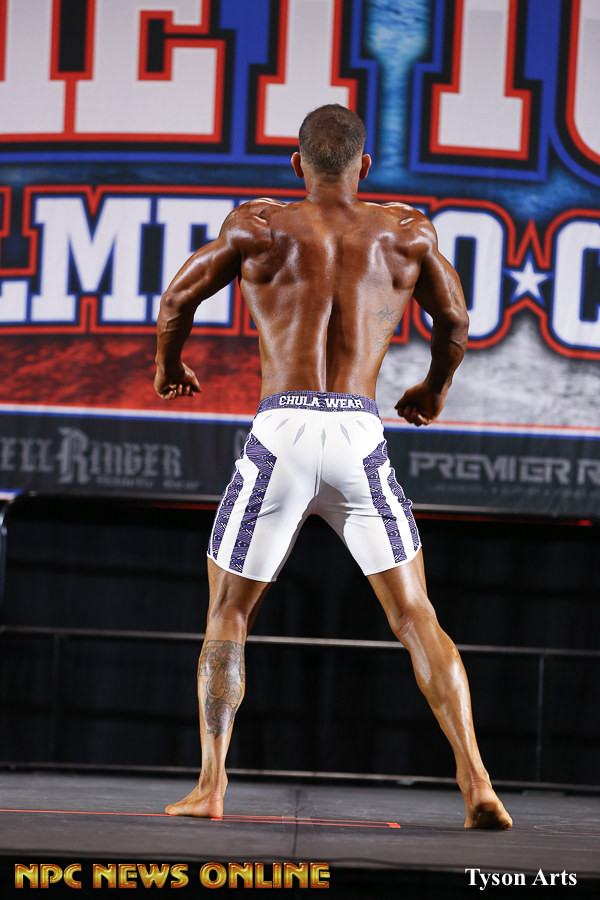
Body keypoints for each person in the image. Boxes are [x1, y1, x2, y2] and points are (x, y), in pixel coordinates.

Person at [153, 104, 512, 830]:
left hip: (281, 433)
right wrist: (433, 389)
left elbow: (176, 301)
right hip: (357, 432)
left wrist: (169, 366)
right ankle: (477, 780)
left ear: (296, 165)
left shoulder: (257, 226)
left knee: (229, 613)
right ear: (364, 166)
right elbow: (456, 321)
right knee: (415, 614)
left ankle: (211, 786)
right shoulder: (406, 233)